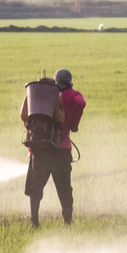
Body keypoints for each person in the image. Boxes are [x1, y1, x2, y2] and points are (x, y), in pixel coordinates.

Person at [20, 69, 85, 228]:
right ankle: (68, 223)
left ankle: (34, 222)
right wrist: (73, 123)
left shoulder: (44, 94)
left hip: (40, 148)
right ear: (69, 81)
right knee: (64, 188)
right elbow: (81, 103)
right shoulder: (72, 94)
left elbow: (24, 115)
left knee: (36, 187)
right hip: (61, 149)